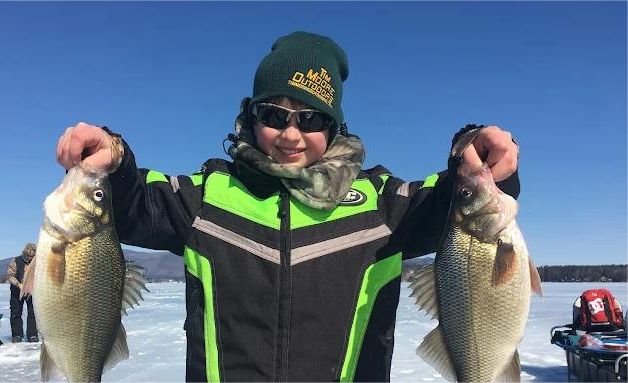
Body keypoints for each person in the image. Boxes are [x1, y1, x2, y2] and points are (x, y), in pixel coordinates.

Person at [56, 31, 519, 382]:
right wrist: (110, 156)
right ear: (251, 118)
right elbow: (132, 204)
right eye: (274, 115)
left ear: (335, 126)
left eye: (311, 118)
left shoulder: (383, 205)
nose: (291, 134)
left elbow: (455, 203)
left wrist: (473, 152)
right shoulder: (202, 198)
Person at [6, 242, 38, 343]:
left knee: (33, 313)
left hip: (32, 291)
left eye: (32, 256)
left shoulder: (38, 262)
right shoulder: (15, 261)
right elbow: (10, 275)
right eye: (28, 256)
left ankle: (32, 335)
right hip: (17, 290)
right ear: (24, 253)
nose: (30, 258)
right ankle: (17, 335)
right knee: (16, 313)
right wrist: (19, 285)